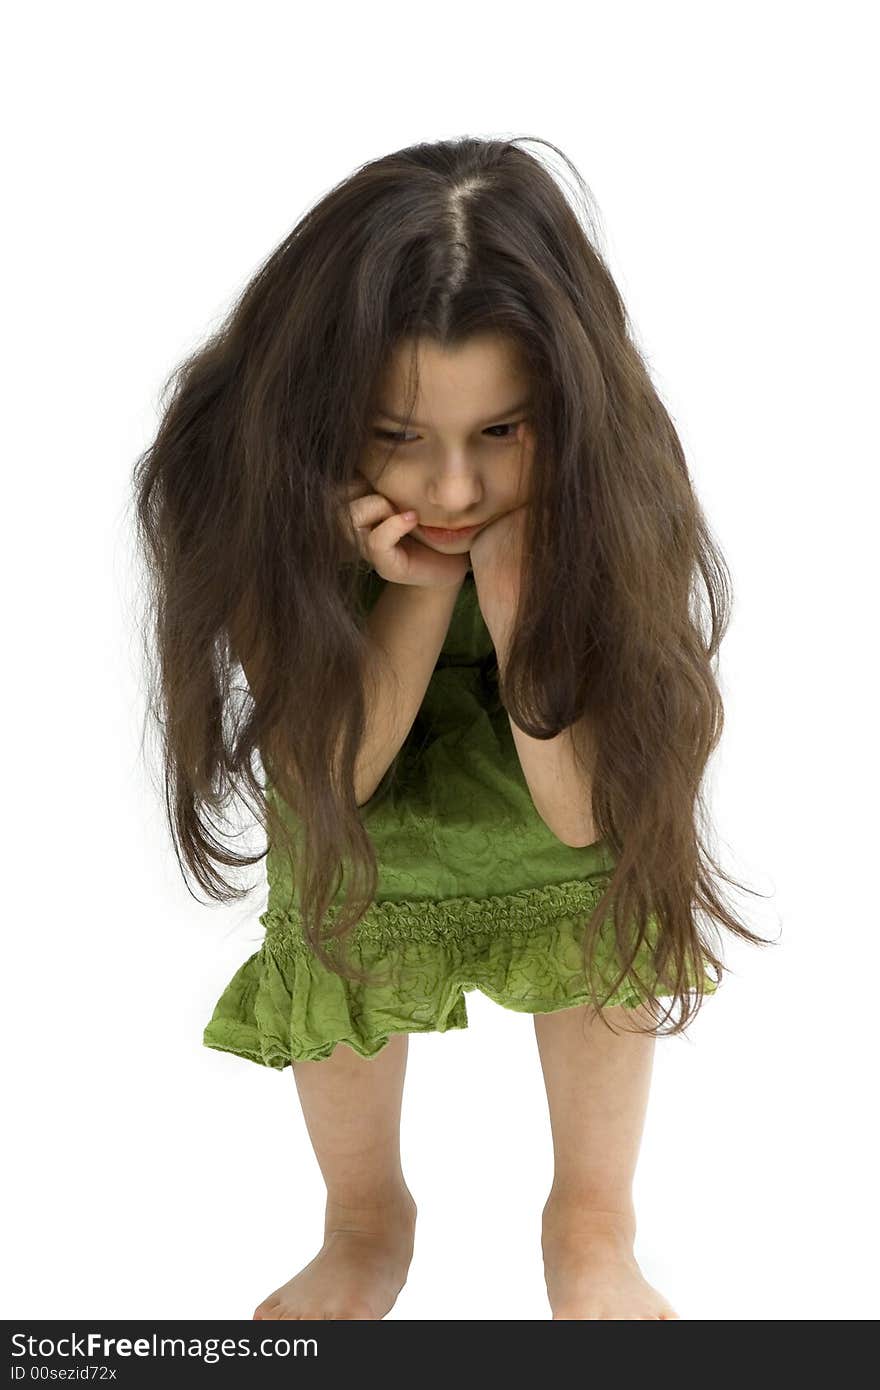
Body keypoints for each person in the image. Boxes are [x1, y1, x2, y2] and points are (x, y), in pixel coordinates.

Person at [133, 134, 769, 1320]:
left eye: (500, 433)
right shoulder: (277, 501)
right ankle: (365, 1219)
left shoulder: (611, 503)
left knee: (607, 894)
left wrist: (523, 612)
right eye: (399, 435)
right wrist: (421, 587)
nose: (455, 492)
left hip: (559, 781)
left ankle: (591, 1220)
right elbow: (332, 777)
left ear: (565, 409)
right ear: (328, 409)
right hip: (355, 787)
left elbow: (588, 818)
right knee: (331, 893)